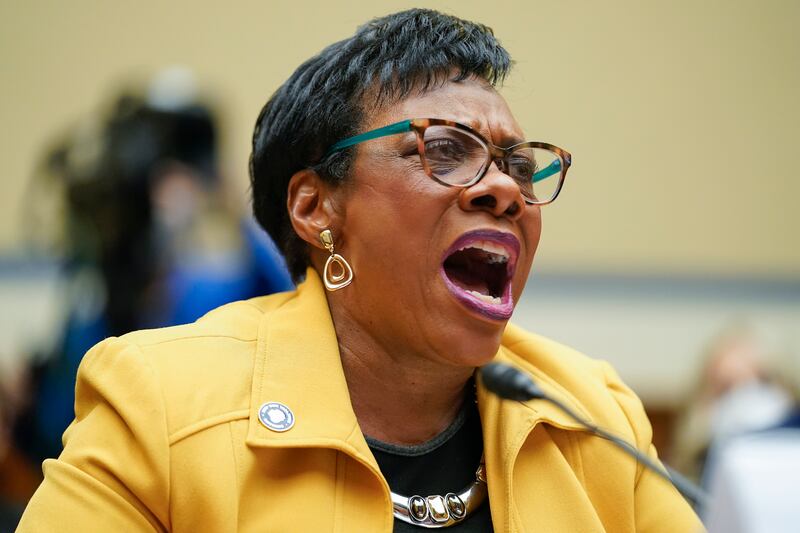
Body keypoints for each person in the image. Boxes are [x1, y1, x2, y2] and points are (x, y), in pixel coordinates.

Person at [18, 9, 702, 532]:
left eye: (520, 166)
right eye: (445, 148)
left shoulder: (593, 414)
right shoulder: (159, 408)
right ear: (316, 209)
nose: (506, 189)